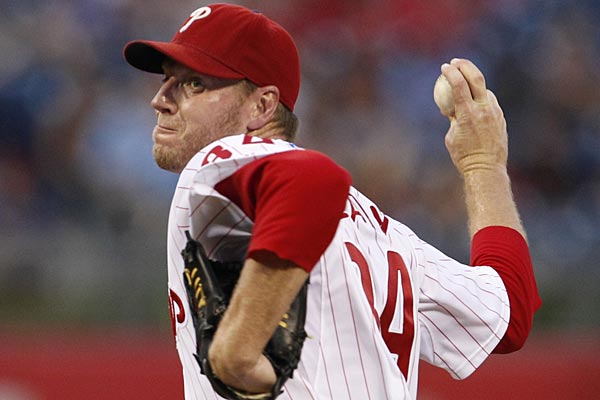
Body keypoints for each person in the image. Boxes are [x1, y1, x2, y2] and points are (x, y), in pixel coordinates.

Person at [123, 3, 541, 399]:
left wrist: (237, 348)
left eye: (194, 83)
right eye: (166, 80)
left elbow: (315, 178)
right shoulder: (382, 233)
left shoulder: (225, 159)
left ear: (263, 105)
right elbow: (508, 312)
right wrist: (483, 164)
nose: (161, 99)